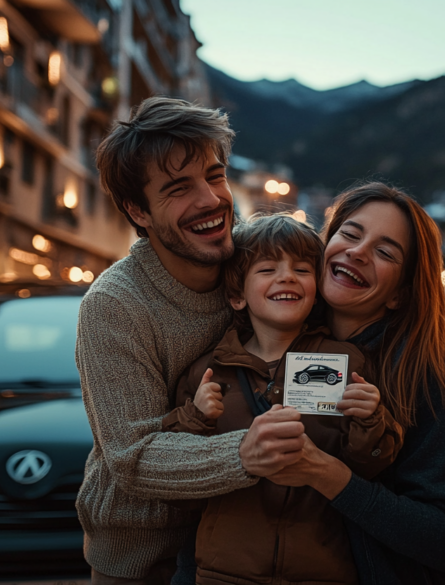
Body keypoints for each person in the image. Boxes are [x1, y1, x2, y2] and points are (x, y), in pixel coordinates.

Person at [75, 97, 307, 584]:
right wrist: (246, 453)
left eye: (215, 175)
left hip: (247, 544)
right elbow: (132, 457)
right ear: (138, 210)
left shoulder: (257, 265)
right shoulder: (115, 304)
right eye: (179, 188)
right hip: (143, 558)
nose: (211, 199)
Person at [253, 182, 445, 584]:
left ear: (399, 293)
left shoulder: (424, 375)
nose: (359, 252)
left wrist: (332, 477)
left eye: (385, 252)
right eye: (349, 233)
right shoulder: (269, 340)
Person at [162, 214, 404, 584]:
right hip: (223, 573)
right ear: (237, 296)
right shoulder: (207, 373)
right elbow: (179, 489)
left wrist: (370, 419)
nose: (287, 276)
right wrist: (195, 419)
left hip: (323, 572)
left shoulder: (346, 362)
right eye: (268, 268)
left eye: (303, 269)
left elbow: (369, 469)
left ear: (317, 289)